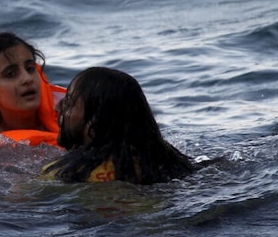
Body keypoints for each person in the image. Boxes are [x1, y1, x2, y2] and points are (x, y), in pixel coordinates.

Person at [42, 67, 195, 184]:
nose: (57, 107)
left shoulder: (66, 173)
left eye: (69, 103)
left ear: (94, 126)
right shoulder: (172, 163)